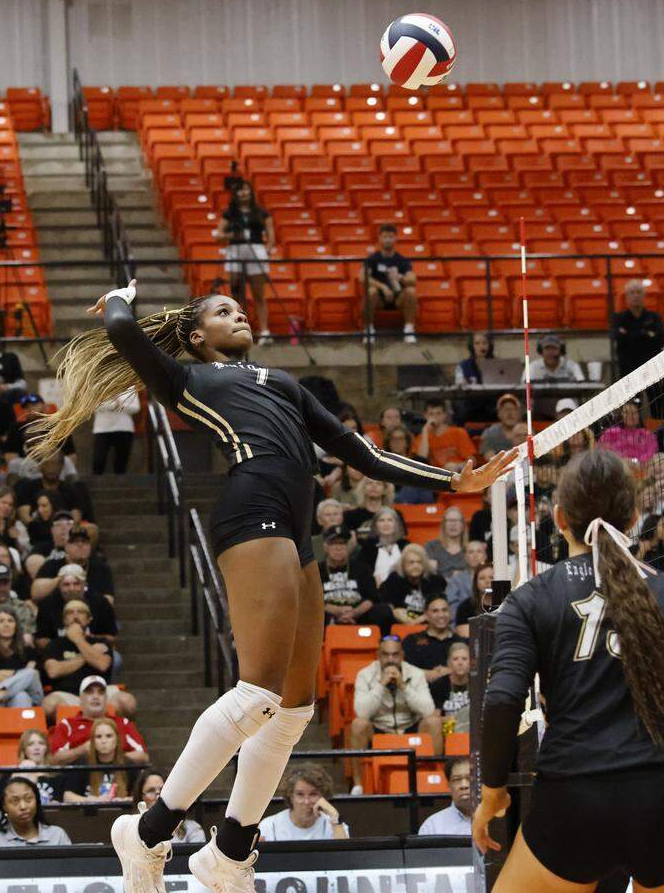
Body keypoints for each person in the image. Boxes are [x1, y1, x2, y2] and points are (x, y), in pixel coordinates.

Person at [34, 281, 513, 887]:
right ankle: (148, 831)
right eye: (221, 313)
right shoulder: (187, 379)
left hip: (297, 526)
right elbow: (125, 334)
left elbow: (356, 449)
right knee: (256, 693)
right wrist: (120, 298)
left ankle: (229, 850)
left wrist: (449, 480)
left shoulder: (284, 383)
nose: (238, 316)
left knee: (293, 710)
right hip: (250, 507)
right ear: (195, 335)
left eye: (240, 310)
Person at [473, 449, 664, 892]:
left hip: (572, 802)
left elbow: (503, 699)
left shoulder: (530, 600)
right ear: (635, 517)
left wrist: (492, 793)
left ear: (560, 517)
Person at [349, 637, 443, 787]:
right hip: (379, 729)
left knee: (434, 721)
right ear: (378, 655)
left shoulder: (415, 673)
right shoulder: (365, 674)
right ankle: (358, 785)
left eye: (395, 654)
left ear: (402, 655)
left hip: (409, 727)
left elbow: (428, 710)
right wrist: (380, 685)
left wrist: (403, 686)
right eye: (385, 655)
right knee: (358, 724)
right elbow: (362, 712)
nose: (390, 659)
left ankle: (437, 777)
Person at [219, 180, 276, 343]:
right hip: (235, 250)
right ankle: (237, 331)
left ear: (251, 192)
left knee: (259, 294)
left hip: (256, 250)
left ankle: (265, 332)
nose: (243, 193)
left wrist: (267, 250)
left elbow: (271, 236)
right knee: (236, 294)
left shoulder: (261, 212)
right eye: (240, 190)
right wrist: (231, 236)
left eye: (246, 190)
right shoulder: (230, 213)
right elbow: (219, 234)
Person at [319, 525, 391, 633]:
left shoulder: (363, 568)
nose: (338, 548)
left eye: (342, 543)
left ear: (349, 546)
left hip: (358, 615)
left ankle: (381, 645)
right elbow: (310, 599)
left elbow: (372, 598)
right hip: (327, 614)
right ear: (325, 546)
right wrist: (335, 610)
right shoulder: (316, 570)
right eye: (333, 543)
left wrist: (354, 612)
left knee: (383, 610)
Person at [613, 279, 664, 417]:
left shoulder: (654, 318)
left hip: (654, 369)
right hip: (629, 371)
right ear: (626, 297)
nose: (636, 296)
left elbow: (660, 341)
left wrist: (631, 335)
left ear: (644, 296)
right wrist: (646, 335)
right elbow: (619, 339)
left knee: (660, 408)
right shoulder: (619, 318)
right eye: (632, 292)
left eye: (639, 292)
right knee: (631, 410)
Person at [34, 564, 117, 650]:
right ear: (59, 586)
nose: (71, 588)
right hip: (58, 652)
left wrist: (88, 639)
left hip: (94, 649)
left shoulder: (100, 602)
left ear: (84, 584)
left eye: (76, 584)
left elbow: (111, 637)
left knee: (116, 659)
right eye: (66, 584)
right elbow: (41, 640)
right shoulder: (47, 604)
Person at [0, 777, 72, 847]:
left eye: (28, 799)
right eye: (15, 801)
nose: (23, 806)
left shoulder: (57, 835)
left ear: (37, 801)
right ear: (4, 806)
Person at [258, 764, 347, 841]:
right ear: (290, 796)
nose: (306, 801)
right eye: (300, 794)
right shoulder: (269, 826)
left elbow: (345, 857)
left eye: (313, 794)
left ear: (322, 796)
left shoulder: (335, 825)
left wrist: (334, 816)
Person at [364, 223, 418, 343]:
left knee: (411, 291)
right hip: (380, 298)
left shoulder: (402, 260)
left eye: (391, 237)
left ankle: (409, 330)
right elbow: (362, 277)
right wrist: (382, 287)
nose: (387, 240)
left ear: (395, 238)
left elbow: (413, 280)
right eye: (385, 237)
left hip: (398, 297)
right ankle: (369, 330)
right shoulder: (372, 259)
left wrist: (400, 278)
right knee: (370, 291)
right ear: (379, 238)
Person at [32, 524, 114, 602]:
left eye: (84, 541)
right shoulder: (51, 565)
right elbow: (35, 593)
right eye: (75, 542)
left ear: (90, 546)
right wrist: (62, 577)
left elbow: (109, 600)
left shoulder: (102, 569)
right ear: (66, 546)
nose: (80, 545)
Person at [62, 717, 133, 803]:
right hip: (90, 815)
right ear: (93, 741)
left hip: (123, 814)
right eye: (98, 737)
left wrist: (123, 800)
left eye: (109, 736)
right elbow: (67, 796)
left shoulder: (129, 764)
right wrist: (91, 800)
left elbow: (140, 796)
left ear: (117, 739)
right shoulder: (82, 764)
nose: (104, 741)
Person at [381, 544, 447, 625]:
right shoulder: (394, 578)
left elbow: (438, 607)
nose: (415, 566)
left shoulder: (435, 580)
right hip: (400, 622)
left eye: (419, 562)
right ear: (403, 565)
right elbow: (390, 607)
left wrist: (417, 621)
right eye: (411, 562)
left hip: (428, 623)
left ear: (425, 564)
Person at [135, 769, 205, 844]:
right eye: (151, 791)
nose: (158, 796)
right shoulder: (131, 829)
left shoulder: (192, 829)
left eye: (162, 790)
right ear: (141, 797)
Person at [403, 596, 456, 685]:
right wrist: (424, 674)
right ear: (426, 615)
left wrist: (451, 671)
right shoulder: (412, 640)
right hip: (419, 691)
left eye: (444, 610)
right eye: (435, 611)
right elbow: (403, 668)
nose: (441, 615)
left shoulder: (461, 642)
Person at [412, 400, 475, 473]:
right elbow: (421, 460)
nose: (435, 417)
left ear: (444, 415)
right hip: (436, 476)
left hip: (458, 474)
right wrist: (425, 430)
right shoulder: (422, 437)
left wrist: (459, 466)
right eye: (431, 414)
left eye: (438, 413)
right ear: (425, 415)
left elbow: (472, 461)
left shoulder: (458, 432)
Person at [418, 757, 472, 836]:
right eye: (457, 779)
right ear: (449, 786)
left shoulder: (495, 820)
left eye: (470, 778)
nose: (464, 785)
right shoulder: (432, 826)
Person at [356, 507, 410, 586]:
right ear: (375, 525)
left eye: (390, 520)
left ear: (396, 524)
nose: (386, 524)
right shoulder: (368, 547)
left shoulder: (405, 545)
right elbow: (361, 572)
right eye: (381, 520)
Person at [92, 385, 139, 475]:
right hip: (102, 428)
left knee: (121, 463)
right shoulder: (100, 384)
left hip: (124, 427)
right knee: (99, 460)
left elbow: (136, 407)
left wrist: (118, 405)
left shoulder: (130, 386)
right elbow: (94, 405)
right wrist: (116, 405)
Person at [597, 400, 657, 467]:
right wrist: (622, 461)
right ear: (621, 415)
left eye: (634, 413)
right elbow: (603, 453)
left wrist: (634, 461)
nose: (630, 416)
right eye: (626, 412)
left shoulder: (647, 435)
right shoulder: (610, 433)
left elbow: (651, 453)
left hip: (642, 468)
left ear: (639, 415)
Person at [431, 642, 471, 732]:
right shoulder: (439, 685)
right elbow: (435, 718)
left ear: (470, 662)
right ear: (448, 663)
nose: (460, 663)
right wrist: (456, 719)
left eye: (464, 659)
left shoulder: (478, 683)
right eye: (455, 659)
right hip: (448, 729)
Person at [424, 508, 469, 583]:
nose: (453, 524)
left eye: (457, 521)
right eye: (449, 521)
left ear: (463, 525)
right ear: (443, 525)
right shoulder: (431, 547)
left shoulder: (470, 549)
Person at [480, 394, 525, 461]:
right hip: (500, 469)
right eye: (506, 409)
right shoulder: (489, 433)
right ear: (499, 414)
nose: (510, 413)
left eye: (513, 409)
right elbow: (490, 460)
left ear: (519, 413)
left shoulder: (527, 430)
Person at [455, 563, 493, 638]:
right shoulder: (465, 607)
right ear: (476, 583)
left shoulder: (506, 605)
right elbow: (465, 635)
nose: (487, 581)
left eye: (492, 577)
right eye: (482, 578)